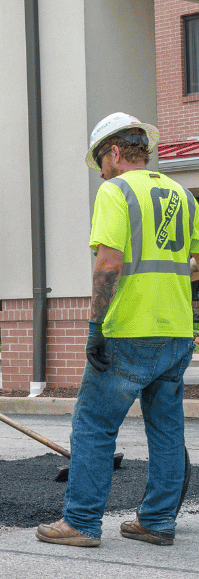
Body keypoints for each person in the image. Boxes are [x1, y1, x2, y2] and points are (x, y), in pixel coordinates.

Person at [37, 112, 199, 548]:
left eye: (100, 161)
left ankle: (81, 522)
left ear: (113, 151)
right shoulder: (183, 196)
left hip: (129, 329)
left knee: (93, 424)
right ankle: (158, 521)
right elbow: (194, 265)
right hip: (177, 331)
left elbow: (108, 264)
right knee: (166, 429)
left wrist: (95, 326)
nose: (101, 171)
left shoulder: (116, 191)